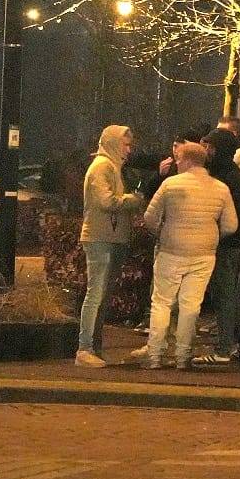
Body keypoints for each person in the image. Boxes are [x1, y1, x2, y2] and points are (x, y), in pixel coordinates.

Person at [141, 141, 237, 369]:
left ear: (186, 160)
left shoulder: (170, 185)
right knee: (191, 304)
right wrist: (212, 235)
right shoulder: (220, 188)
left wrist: (161, 232)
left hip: (171, 250)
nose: (176, 162)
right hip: (204, 254)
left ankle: (155, 354)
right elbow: (231, 225)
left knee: (162, 302)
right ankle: (183, 355)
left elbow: (149, 217)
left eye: (178, 158)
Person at [77, 125, 143, 368]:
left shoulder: (112, 167)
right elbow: (106, 201)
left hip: (111, 237)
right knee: (96, 293)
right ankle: (85, 348)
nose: (128, 150)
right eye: (125, 145)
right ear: (114, 144)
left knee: (101, 294)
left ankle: (94, 347)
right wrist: (134, 200)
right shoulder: (103, 166)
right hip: (100, 237)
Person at [202, 129, 240, 361]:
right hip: (231, 241)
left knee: (224, 294)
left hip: (226, 243)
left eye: (210, 147)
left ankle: (224, 347)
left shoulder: (224, 176)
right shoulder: (230, 172)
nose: (206, 151)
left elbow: (237, 213)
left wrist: (232, 237)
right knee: (229, 293)